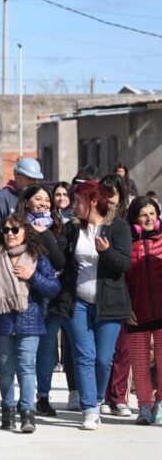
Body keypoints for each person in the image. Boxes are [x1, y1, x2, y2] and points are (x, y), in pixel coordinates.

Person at [51, 180, 132, 430]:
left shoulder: (117, 227)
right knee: (84, 356)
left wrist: (106, 252)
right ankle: (89, 408)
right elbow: (59, 261)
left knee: (103, 359)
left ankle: (97, 399)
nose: (74, 205)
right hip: (78, 303)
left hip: (110, 305)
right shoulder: (73, 229)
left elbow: (124, 264)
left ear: (93, 202)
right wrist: (46, 236)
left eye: (77, 201)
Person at [0, 214, 61, 433]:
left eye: (15, 230)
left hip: (30, 320)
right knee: (4, 367)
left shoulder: (37, 256)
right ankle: (8, 410)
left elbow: (53, 288)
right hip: (1, 321)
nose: (10, 234)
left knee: (27, 366)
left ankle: (27, 414)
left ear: (25, 231)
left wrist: (33, 276)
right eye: (5, 230)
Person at [16, 185, 66, 417]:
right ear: (26, 202)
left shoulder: (57, 227)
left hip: (51, 296)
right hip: (24, 297)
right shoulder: (15, 225)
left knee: (47, 350)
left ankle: (42, 397)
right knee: (25, 352)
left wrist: (45, 233)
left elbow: (59, 262)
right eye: (39, 199)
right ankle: (24, 396)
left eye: (47, 200)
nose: (44, 203)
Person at [124, 196, 162, 425]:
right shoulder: (127, 243)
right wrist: (126, 308)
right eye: (143, 214)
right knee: (138, 363)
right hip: (136, 314)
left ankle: (161, 403)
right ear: (135, 219)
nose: (149, 218)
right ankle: (144, 407)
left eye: (152, 214)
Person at [99, 174, 133, 417]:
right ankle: (103, 395)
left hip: (130, 290)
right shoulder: (100, 220)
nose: (106, 200)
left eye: (111, 195)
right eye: (103, 194)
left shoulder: (126, 221)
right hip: (107, 291)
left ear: (121, 197)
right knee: (105, 350)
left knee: (123, 349)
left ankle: (119, 396)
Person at [0, 157, 44, 253]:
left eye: (36, 179)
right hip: (5, 260)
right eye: (29, 178)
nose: (33, 182)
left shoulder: (41, 201)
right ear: (17, 177)